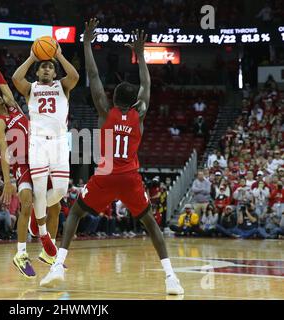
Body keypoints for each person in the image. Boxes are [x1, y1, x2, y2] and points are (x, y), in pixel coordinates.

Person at [40, 20, 184, 295]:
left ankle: (58, 265)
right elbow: (147, 84)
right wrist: (140, 54)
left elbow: (93, 76)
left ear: (114, 96)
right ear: (134, 102)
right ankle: (171, 277)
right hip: (130, 177)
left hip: (105, 176)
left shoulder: (105, 111)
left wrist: (85, 44)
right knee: (150, 223)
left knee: (76, 215)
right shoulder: (139, 114)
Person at [0, 41, 61, 278]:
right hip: (22, 164)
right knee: (27, 203)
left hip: (41, 159)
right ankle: (21, 253)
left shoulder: (15, 108)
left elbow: (1, 80)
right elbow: (4, 152)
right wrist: (8, 181)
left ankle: (49, 252)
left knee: (56, 206)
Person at [12, 34, 79, 264]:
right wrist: (32, 57)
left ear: (55, 71)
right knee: (39, 191)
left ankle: (35, 213)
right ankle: (43, 235)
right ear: (38, 73)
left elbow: (75, 75)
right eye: (44, 68)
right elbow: (15, 78)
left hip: (60, 141)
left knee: (60, 191)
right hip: (38, 141)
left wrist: (58, 54)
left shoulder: (64, 86)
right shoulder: (30, 88)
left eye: (51, 67)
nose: (48, 70)